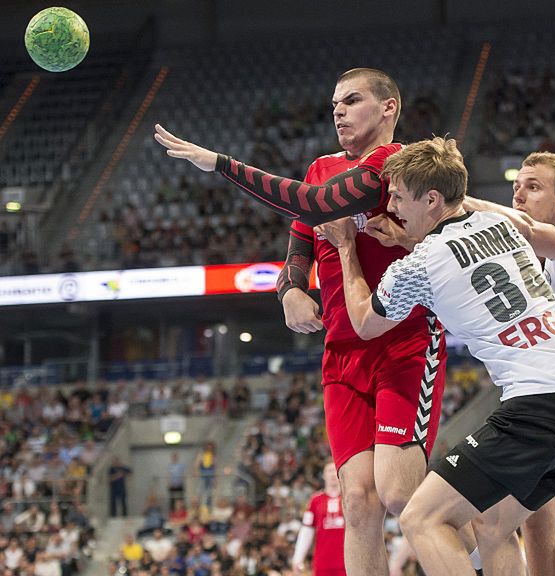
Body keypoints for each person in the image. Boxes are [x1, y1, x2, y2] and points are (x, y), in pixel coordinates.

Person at [155, 68, 467, 575]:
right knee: (358, 502)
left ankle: (482, 551)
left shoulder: (395, 164)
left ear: (389, 108)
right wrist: (291, 288)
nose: (338, 111)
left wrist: (221, 164)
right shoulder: (321, 164)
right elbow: (301, 235)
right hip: (341, 351)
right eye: (334, 104)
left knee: (398, 493)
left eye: (352, 100)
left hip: (402, 340)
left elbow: (313, 205)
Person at [315, 137, 555, 576]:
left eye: (398, 196)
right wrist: (412, 232)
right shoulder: (504, 225)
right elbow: (463, 248)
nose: (392, 206)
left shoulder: (420, 264)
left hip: (541, 404)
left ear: (432, 198)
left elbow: (363, 322)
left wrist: (346, 248)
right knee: (492, 524)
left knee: (422, 517)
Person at [292, 462, 346, 576]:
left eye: (334, 470)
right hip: (322, 563)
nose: (332, 474)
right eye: (329, 471)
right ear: (323, 475)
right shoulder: (315, 501)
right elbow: (306, 530)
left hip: (347, 562)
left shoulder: (349, 498)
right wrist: (298, 557)